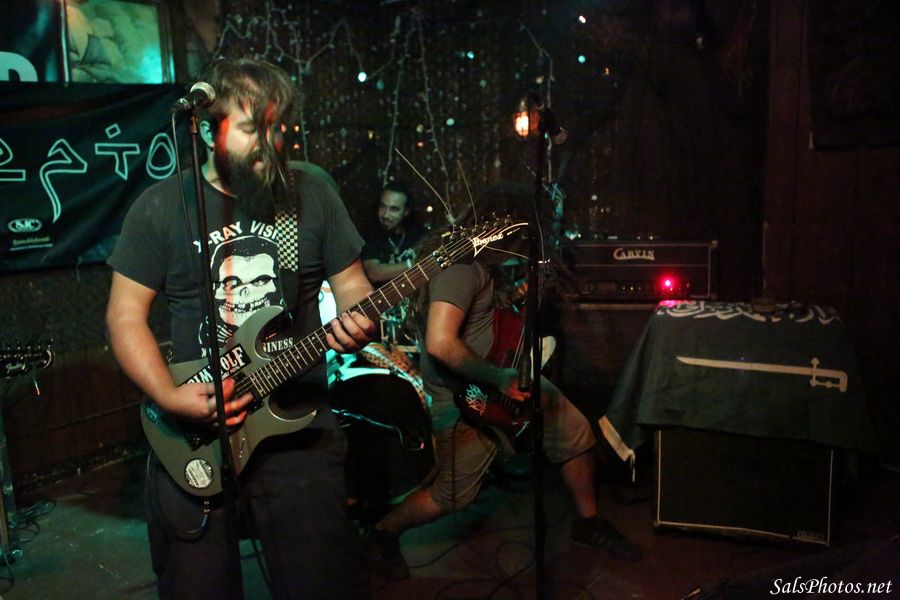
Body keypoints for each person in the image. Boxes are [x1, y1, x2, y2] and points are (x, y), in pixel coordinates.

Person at [106, 57, 375, 599]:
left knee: (322, 583)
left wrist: (361, 318)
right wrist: (169, 395)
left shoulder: (311, 195)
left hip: (299, 427)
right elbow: (124, 316)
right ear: (208, 132)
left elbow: (353, 287)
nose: (270, 144)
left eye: (278, 128)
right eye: (253, 128)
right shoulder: (161, 206)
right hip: (196, 430)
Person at [366, 231, 642, 580]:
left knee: (574, 431)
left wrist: (519, 294)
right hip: (468, 395)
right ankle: (382, 533)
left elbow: (483, 320)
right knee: (451, 496)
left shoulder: (481, 268)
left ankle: (588, 523)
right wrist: (498, 377)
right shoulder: (460, 269)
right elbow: (440, 343)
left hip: (501, 376)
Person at [360, 182, 424, 284]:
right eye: (382, 206)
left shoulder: (416, 234)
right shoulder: (369, 235)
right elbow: (374, 273)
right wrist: (414, 263)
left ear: (406, 212)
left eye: (394, 209)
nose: (385, 215)